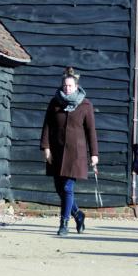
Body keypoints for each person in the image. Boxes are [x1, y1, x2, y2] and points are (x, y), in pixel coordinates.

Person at [40, 66, 99, 236]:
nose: (67, 88)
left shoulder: (85, 105)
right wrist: (46, 148)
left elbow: (91, 131)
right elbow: (47, 126)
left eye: (70, 86)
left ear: (76, 86)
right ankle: (78, 214)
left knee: (67, 188)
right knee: (59, 188)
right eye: (65, 86)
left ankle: (64, 224)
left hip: (76, 154)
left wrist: (94, 153)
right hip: (56, 152)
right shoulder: (55, 102)